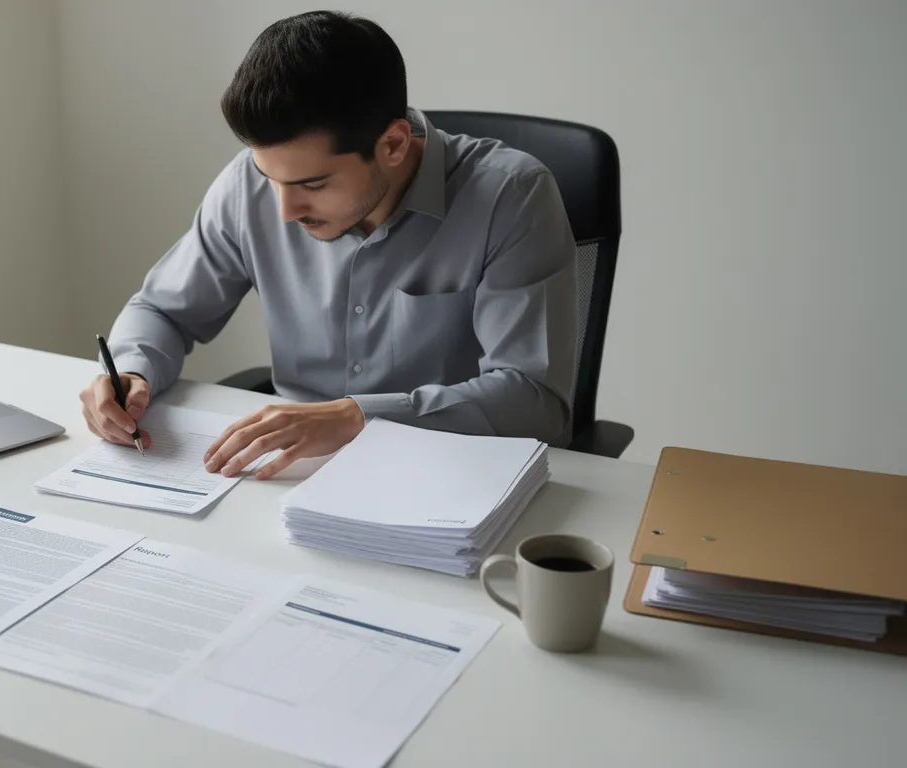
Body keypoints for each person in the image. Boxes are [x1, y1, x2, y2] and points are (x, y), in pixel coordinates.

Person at [78, 10, 577, 480]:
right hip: (290, 474)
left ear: (394, 145)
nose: (283, 212)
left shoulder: (511, 196)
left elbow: (534, 399)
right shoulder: (248, 185)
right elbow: (165, 310)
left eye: (313, 185)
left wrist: (358, 417)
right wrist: (131, 371)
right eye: (267, 176)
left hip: (454, 475)